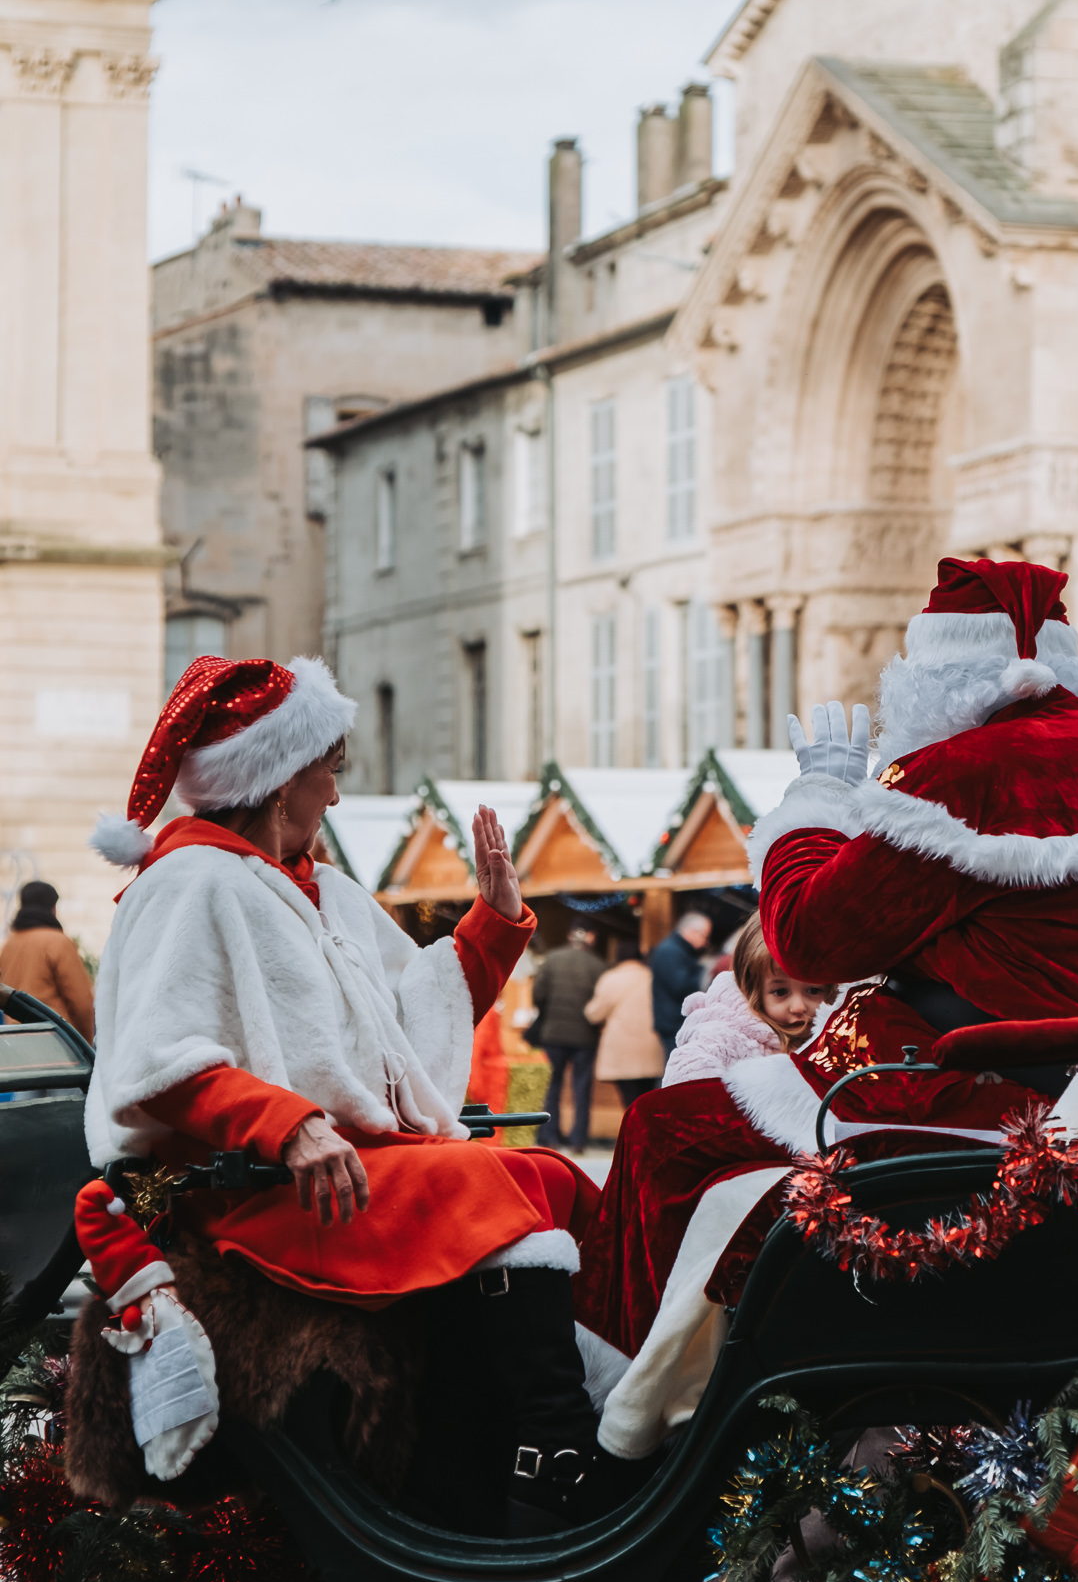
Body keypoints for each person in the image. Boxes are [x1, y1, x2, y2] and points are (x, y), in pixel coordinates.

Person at [576, 557, 1078, 1459]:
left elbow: (810, 941)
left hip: (956, 1100)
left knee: (664, 1129)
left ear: (942, 673)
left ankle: (627, 1420)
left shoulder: (961, 776)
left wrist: (814, 801)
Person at [71, 652, 601, 1525]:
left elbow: (405, 1019)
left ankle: (553, 1429)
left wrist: (493, 925)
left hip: (342, 1173)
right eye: (331, 771)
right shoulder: (183, 883)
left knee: (543, 1172)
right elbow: (157, 1060)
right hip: (251, 1190)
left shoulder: (329, 892)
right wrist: (290, 1126)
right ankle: (553, 1438)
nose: (338, 796)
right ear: (281, 780)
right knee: (482, 1179)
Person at [663, 913, 837, 1087]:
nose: (798, 1007)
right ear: (752, 990)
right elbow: (688, 1079)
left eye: (814, 990)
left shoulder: (839, 1036)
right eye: (780, 992)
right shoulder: (725, 1037)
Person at [530, 923, 605, 1150]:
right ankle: (578, 1139)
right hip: (585, 1037)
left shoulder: (552, 959)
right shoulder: (598, 965)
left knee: (552, 1086)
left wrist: (547, 1013)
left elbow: (537, 995)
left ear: (569, 934)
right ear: (591, 936)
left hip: (553, 1033)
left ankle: (549, 1136)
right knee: (581, 1088)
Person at [0, 880, 95, 1042]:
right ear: (53, 908)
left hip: (15, 1038)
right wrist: (85, 1044)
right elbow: (82, 1004)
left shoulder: (9, 944)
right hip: (54, 1040)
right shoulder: (58, 942)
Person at [584, 942, 665, 1107]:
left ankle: (635, 1130)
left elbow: (594, 1014)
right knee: (648, 1099)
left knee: (630, 1101)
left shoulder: (611, 978)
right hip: (651, 1046)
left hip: (622, 1048)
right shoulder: (652, 977)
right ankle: (646, 1130)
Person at [647, 909, 712, 1057]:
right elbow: (681, 986)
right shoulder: (670, 951)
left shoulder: (676, 950)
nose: (705, 942)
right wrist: (705, 972)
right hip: (674, 1023)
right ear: (691, 931)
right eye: (704, 936)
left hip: (674, 1021)